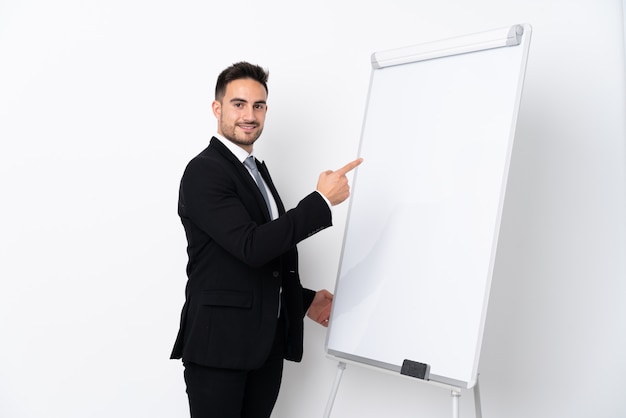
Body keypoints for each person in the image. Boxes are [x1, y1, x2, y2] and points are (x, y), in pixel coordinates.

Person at [170, 61, 362, 418]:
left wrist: (303, 301)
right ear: (217, 108)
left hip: (263, 347)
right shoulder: (205, 171)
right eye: (238, 104)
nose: (249, 115)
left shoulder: (256, 172)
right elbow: (251, 246)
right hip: (219, 349)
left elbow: (258, 262)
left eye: (258, 106)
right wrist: (320, 201)